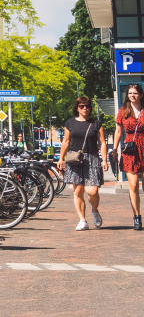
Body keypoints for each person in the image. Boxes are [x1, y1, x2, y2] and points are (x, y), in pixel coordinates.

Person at [57, 96, 108, 231]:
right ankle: (82, 220)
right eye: (82, 106)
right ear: (77, 108)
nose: (85, 108)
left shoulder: (96, 123)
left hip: (92, 158)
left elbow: (102, 142)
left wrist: (104, 159)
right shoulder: (70, 123)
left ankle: (95, 210)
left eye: (87, 106)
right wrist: (61, 158)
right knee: (78, 191)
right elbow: (66, 141)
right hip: (75, 159)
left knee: (92, 191)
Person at [115, 84, 144, 230]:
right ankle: (137, 217)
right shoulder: (123, 111)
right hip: (130, 149)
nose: (132, 95)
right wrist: (114, 149)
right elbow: (118, 132)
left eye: (135, 93)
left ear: (141, 95)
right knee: (132, 185)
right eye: (130, 93)